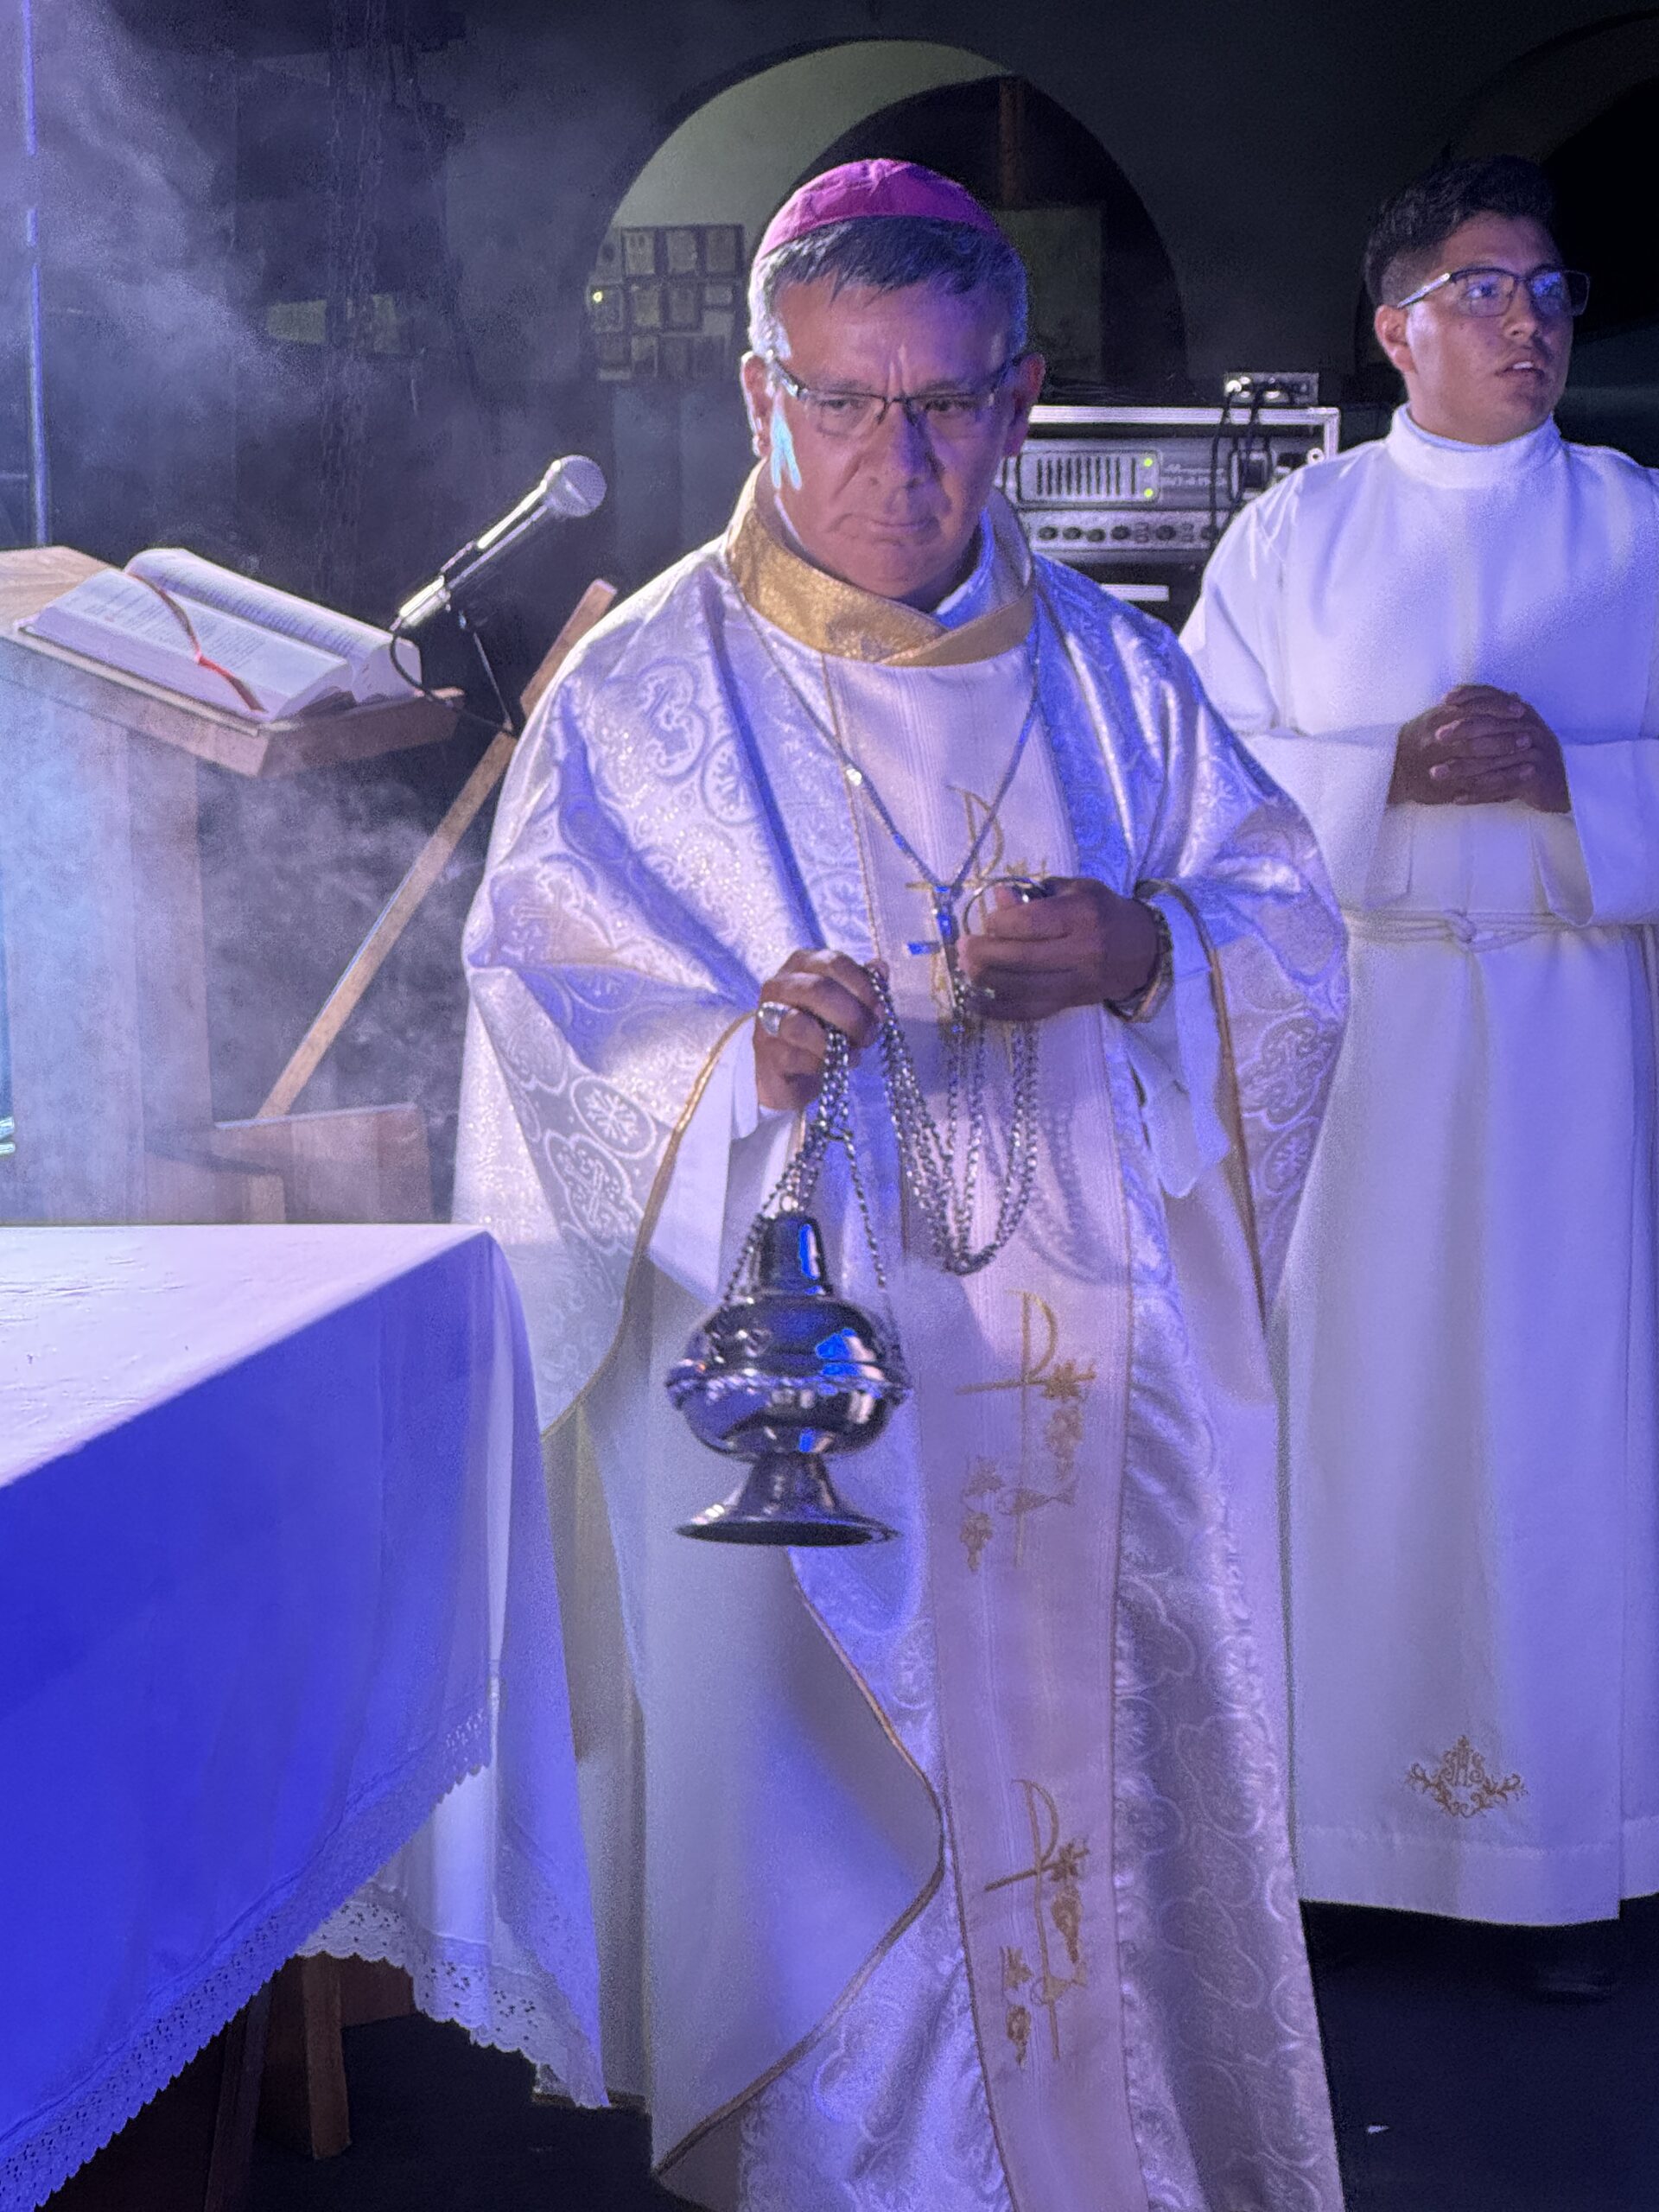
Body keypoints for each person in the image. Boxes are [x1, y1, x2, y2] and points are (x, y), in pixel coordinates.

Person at [455, 159, 1346, 2209]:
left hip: (1101, 1397)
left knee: (1108, 1831)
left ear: (1021, 400)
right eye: (845, 403)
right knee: (848, 1864)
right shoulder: (644, 694)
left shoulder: (1123, 678)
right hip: (810, 1419)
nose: (900, 456)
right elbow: (538, 1016)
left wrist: (1144, 954)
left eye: (945, 402)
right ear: (763, 399)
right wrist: (733, 1062)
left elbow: (1290, 937)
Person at [1184, 154, 1659, 1997]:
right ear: (1396, 329)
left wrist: (1571, 783)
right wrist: (1395, 771)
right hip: (1366, 1043)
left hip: (1561, 1037)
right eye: (1484, 290)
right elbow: (1199, 794)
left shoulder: (1635, 522)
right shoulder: (1297, 538)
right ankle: (1336, 1844)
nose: (1528, 323)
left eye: (1552, 291)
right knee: (1359, 1423)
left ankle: (1555, 1854)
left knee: (1555, 1429)